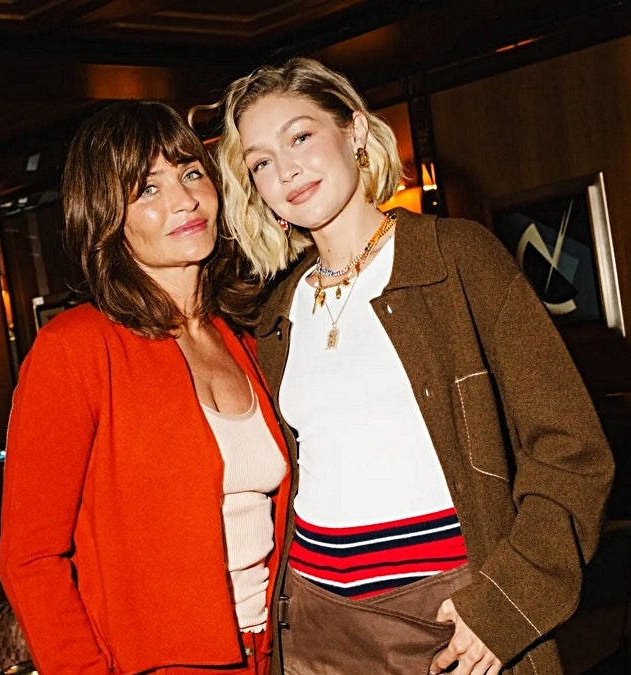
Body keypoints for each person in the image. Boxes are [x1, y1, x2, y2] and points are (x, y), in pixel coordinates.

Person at [215, 57, 615, 675]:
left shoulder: (456, 259)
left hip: (449, 617)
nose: (286, 169)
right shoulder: (276, 313)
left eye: (300, 136)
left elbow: (572, 451)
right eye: (261, 162)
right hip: (316, 626)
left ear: (353, 130)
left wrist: (508, 603)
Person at [0, 100, 291, 675]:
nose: (184, 200)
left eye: (191, 173)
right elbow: (29, 559)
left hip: (276, 651)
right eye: (148, 189)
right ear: (108, 217)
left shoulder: (246, 336)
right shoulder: (75, 350)